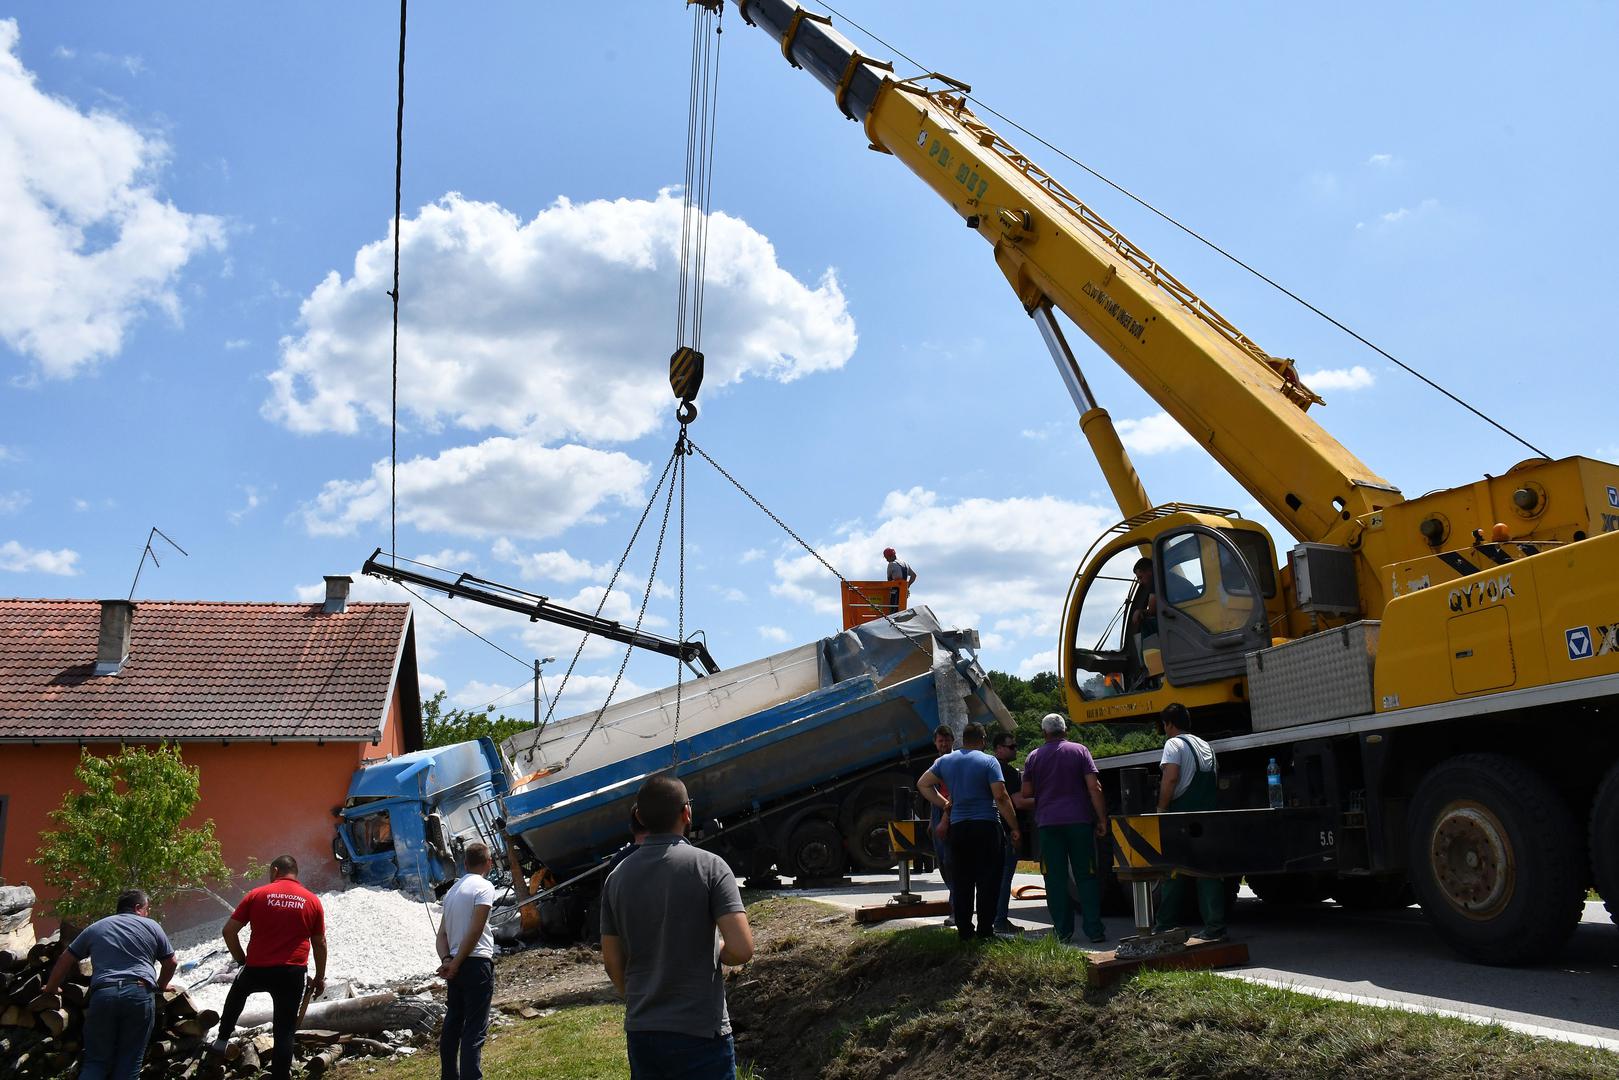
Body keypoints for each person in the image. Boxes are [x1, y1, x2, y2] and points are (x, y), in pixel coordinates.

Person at [601, 773, 754, 1079]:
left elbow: (612, 962)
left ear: (640, 817)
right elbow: (741, 949)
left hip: (643, 1031)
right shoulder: (711, 867)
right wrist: (718, 951)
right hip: (701, 1030)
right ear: (687, 813)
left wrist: (637, 1000)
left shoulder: (615, 878)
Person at [41, 888, 177, 1080]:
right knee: (129, 1064)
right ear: (138, 908)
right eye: (147, 909)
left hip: (103, 995)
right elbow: (171, 962)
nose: (148, 913)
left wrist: (51, 988)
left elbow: (65, 959)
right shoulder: (152, 926)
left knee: (96, 1063)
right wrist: (161, 986)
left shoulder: (96, 927)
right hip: (138, 992)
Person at [213, 855, 327, 1080]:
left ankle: (221, 1040)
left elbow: (229, 931)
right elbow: (319, 942)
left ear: (275, 870)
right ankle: (280, 1076)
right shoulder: (311, 900)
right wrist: (320, 977)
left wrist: (241, 960)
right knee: (284, 1029)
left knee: (236, 995)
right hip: (292, 972)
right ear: (295, 872)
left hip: (256, 967)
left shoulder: (257, 895)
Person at [917, 723, 1020, 941]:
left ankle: (965, 931)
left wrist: (944, 803)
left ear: (962, 740)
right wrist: (1014, 826)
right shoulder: (989, 761)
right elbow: (1001, 797)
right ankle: (985, 931)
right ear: (982, 739)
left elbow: (923, 784)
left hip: (959, 828)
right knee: (988, 880)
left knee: (962, 880)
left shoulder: (945, 761)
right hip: (986, 826)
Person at [1017, 713, 1109, 945]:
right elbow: (1094, 787)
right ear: (1065, 730)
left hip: (1049, 825)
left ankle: (1063, 932)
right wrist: (1102, 819)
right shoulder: (1080, 751)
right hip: (1079, 822)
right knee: (1086, 877)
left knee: (1055, 880)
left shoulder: (1033, 757)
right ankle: (1094, 930)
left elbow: (1026, 792)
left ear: (1044, 733)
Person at [1152, 703, 1227, 942]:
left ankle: (1165, 926)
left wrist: (1162, 808)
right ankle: (1215, 927)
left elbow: (1171, 777)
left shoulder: (1173, 744)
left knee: (1174, 871)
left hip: (1182, 817)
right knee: (1207, 871)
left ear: (1169, 724)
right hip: (1208, 816)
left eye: (1164, 725)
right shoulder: (1206, 745)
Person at [437, 842, 497, 1080]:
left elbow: (441, 935)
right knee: (474, 1029)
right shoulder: (484, 887)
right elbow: (476, 929)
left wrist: (447, 960)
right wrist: (458, 961)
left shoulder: (452, 891)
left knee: (453, 1025)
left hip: (455, 965)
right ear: (489, 863)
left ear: (464, 863)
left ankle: (449, 1076)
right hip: (475, 962)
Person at [990, 731, 1028, 934]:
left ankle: (992, 919)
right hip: (1006, 832)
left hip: (990, 831)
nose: (1015, 749)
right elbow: (1016, 802)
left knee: (992, 878)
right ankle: (1001, 920)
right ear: (998, 749)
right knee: (1005, 877)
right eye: (1011, 746)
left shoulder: (987, 768)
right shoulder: (1010, 773)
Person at [882, 546, 916, 611]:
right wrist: (907, 586)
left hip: (895, 592)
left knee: (893, 612)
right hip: (903, 592)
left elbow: (889, 582)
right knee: (901, 610)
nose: (886, 560)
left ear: (890, 556)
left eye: (887, 558)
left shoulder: (891, 564)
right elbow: (914, 576)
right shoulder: (905, 564)